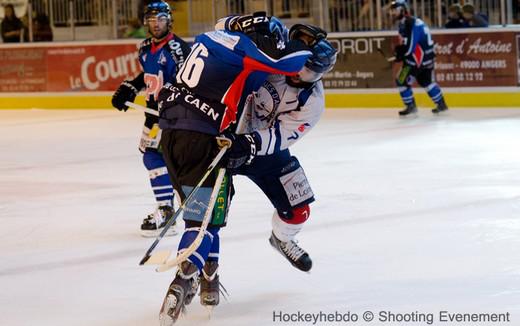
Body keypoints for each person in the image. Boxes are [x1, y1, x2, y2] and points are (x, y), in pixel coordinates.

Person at [156, 12, 313, 324]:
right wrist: (307, 46)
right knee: (203, 222)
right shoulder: (250, 51)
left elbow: (227, 23)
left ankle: (209, 273)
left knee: (203, 209)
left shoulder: (210, 36)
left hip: (170, 136)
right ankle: (184, 280)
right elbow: (292, 64)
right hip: (205, 141)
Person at [234, 25, 337, 273]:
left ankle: (282, 238)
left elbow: (281, 136)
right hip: (226, 132)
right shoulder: (272, 57)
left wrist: (249, 144)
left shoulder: (312, 101)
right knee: (206, 206)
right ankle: (199, 261)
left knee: (298, 210)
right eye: (303, 66)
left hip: (263, 148)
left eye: (312, 73)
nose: (302, 75)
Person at [111, 1, 191, 237]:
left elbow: (189, 81)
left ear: (169, 21)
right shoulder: (145, 47)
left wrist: (174, 105)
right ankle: (167, 209)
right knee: (152, 158)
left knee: (159, 159)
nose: (156, 24)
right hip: (152, 116)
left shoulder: (179, 49)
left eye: (161, 19)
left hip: (171, 116)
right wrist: (130, 86)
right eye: (152, 20)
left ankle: (169, 211)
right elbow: (148, 75)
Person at [390, 0, 448, 116]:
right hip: (427, 58)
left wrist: (402, 53)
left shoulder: (409, 23)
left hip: (416, 60)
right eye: (392, 11)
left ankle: (411, 106)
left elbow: (410, 46)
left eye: (395, 10)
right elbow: (408, 44)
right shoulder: (409, 22)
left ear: (403, 9)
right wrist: (401, 52)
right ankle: (441, 104)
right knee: (426, 81)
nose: (393, 13)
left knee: (401, 80)